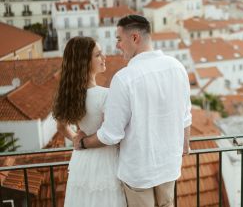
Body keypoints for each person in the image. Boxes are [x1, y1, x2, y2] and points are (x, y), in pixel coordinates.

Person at [73, 15, 192, 207]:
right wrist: (185, 145)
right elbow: (186, 116)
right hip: (169, 165)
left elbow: (111, 135)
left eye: (119, 39)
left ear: (134, 38)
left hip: (139, 172)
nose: (118, 45)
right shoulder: (177, 67)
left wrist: (83, 143)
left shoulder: (124, 78)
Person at [53, 36, 126, 207]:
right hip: (106, 162)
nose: (104, 57)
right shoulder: (105, 95)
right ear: (85, 62)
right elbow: (113, 134)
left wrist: (76, 140)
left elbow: (61, 126)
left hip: (82, 162)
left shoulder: (69, 94)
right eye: (98, 55)